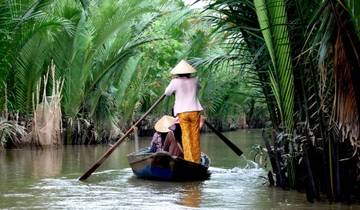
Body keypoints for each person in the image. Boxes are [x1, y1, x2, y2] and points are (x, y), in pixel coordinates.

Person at [164, 60, 203, 164]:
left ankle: (189, 161)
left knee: (185, 136)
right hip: (195, 110)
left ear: (178, 73)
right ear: (189, 72)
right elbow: (199, 88)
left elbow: (167, 93)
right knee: (195, 136)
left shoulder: (175, 82)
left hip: (182, 112)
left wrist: (174, 81)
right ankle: (196, 161)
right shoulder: (195, 80)